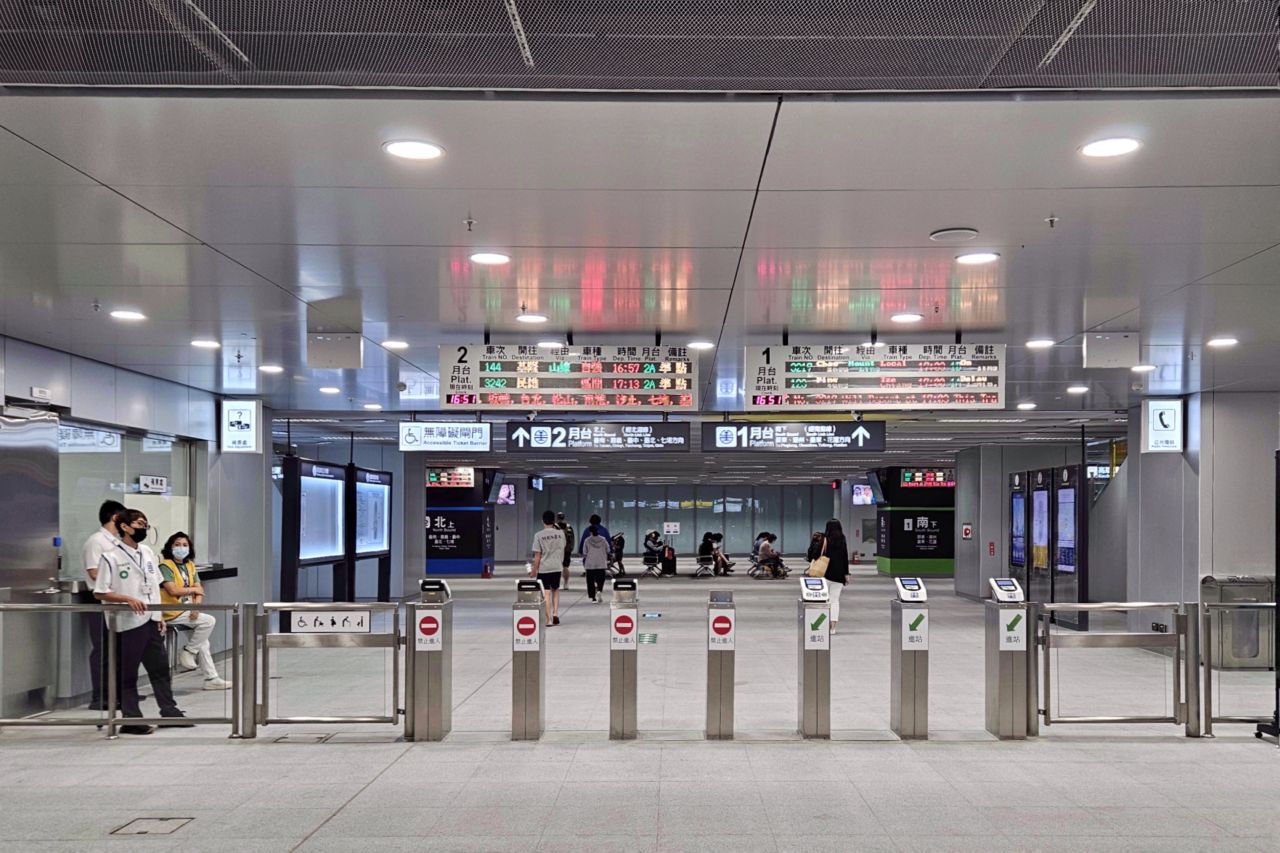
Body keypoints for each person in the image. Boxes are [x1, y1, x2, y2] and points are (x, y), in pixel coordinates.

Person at [91, 509, 169, 735]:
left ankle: (169, 709)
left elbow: (154, 586)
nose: (143, 528)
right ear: (125, 527)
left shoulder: (147, 552)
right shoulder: (110, 556)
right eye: (139, 523)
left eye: (145, 523)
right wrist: (127, 599)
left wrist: (160, 615)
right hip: (127, 622)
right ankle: (131, 718)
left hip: (151, 618)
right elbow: (100, 592)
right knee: (128, 672)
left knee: (160, 667)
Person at [159, 532, 231, 690]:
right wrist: (192, 590)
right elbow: (173, 590)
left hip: (187, 610)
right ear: (170, 547)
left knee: (203, 643)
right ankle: (188, 651)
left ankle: (211, 679)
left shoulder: (190, 565)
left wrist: (195, 606)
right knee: (209, 621)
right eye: (177, 544)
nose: (181, 548)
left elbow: (200, 590)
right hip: (171, 612)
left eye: (185, 545)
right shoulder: (165, 566)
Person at [81, 499, 126, 710]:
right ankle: (99, 697)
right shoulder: (96, 541)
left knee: (116, 648)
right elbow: (93, 571)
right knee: (102, 649)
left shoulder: (117, 542)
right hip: (100, 599)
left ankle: (117, 693)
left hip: (116, 599)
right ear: (115, 517)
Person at [532, 510, 566, 626]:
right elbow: (563, 547)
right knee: (555, 590)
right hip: (557, 566)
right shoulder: (561, 534)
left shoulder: (538, 535)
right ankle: (555, 613)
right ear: (554, 521)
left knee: (546, 593)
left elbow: (537, 555)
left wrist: (534, 570)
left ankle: (548, 620)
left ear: (543, 521)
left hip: (544, 568)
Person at [820, 518, 851, 633]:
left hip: (825, 573)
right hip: (838, 575)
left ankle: (824, 624)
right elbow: (845, 557)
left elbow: (812, 554)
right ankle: (833, 627)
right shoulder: (842, 539)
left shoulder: (824, 539)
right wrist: (846, 574)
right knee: (835, 600)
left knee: (824, 600)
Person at [581, 524, 611, 602]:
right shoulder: (603, 539)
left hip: (590, 564)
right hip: (601, 563)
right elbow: (608, 550)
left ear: (590, 532)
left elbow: (584, 552)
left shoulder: (587, 540)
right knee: (600, 580)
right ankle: (599, 591)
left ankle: (593, 598)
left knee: (590, 581)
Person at [556, 512, 575, 591]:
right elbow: (572, 539)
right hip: (566, 550)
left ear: (557, 518)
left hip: (556, 550)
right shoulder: (569, 527)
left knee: (556, 568)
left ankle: (556, 583)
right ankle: (566, 583)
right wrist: (571, 548)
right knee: (566, 566)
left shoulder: (554, 527)